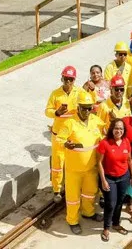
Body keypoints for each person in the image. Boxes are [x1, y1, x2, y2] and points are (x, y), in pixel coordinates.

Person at [55, 90, 105, 234]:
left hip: (91, 168)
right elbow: (59, 139)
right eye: (84, 108)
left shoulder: (96, 121)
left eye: (89, 108)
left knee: (90, 193)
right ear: (78, 107)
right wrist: (66, 144)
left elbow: (105, 131)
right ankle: (72, 220)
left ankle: (88, 213)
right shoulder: (70, 123)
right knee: (73, 198)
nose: (87, 111)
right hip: (74, 170)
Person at [45, 65, 81, 203]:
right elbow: (47, 110)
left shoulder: (79, 92)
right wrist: (56, 113)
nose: (68, 82)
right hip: (58, 135)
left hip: (73, 134)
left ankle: (72, 186)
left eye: (71, 80)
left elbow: (88, 102)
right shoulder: (55, 94)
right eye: (66, 79)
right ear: (62, 78)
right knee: (58, 163)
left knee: (74, 161)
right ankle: (57, 189)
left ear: (74, 80)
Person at [97, 118, 132, 241]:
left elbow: (129, 160)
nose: (118, 130)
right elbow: (99, 163)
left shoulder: (126, 142)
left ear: (124, 130)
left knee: (120, 202)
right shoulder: (105, 143)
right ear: (111, 129)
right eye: (116, 128)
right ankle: (106, 228)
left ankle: (116, 223)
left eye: (121, 128)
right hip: (110, 178)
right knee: (110, 204)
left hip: (124, 177)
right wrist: (103, 181)